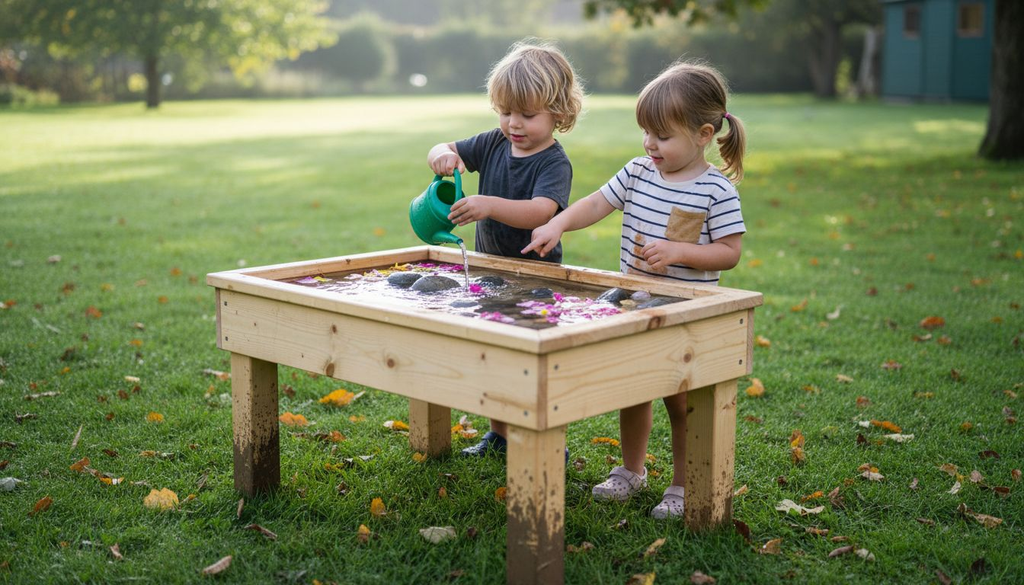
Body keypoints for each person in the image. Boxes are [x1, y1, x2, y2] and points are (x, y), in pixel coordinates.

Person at [522, 61, 747, 518]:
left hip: (684, 314)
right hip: (635, 307)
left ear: (703, 134)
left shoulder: (716, 190)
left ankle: (683, 484)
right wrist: (558, 223)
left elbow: (729, 252)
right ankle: (631, 470)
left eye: (662, 136)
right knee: (634, 390)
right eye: (646, 132)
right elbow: (596, 203)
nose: (649, 144)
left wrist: (680, 252)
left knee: (681, 402)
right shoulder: (638, 172)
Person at [427, 40, 584, 456]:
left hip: (536, 280)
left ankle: (548, 438)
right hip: (490, 274)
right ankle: (498, 434)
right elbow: (443, 148)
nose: (514, 123)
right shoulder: (494, 142)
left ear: (559, 113)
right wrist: (442, 156)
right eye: (506, 111)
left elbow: (540, 212)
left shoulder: (554, 162)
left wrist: (488, 205)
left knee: (534, 365)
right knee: (495, 355)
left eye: (527, 115)